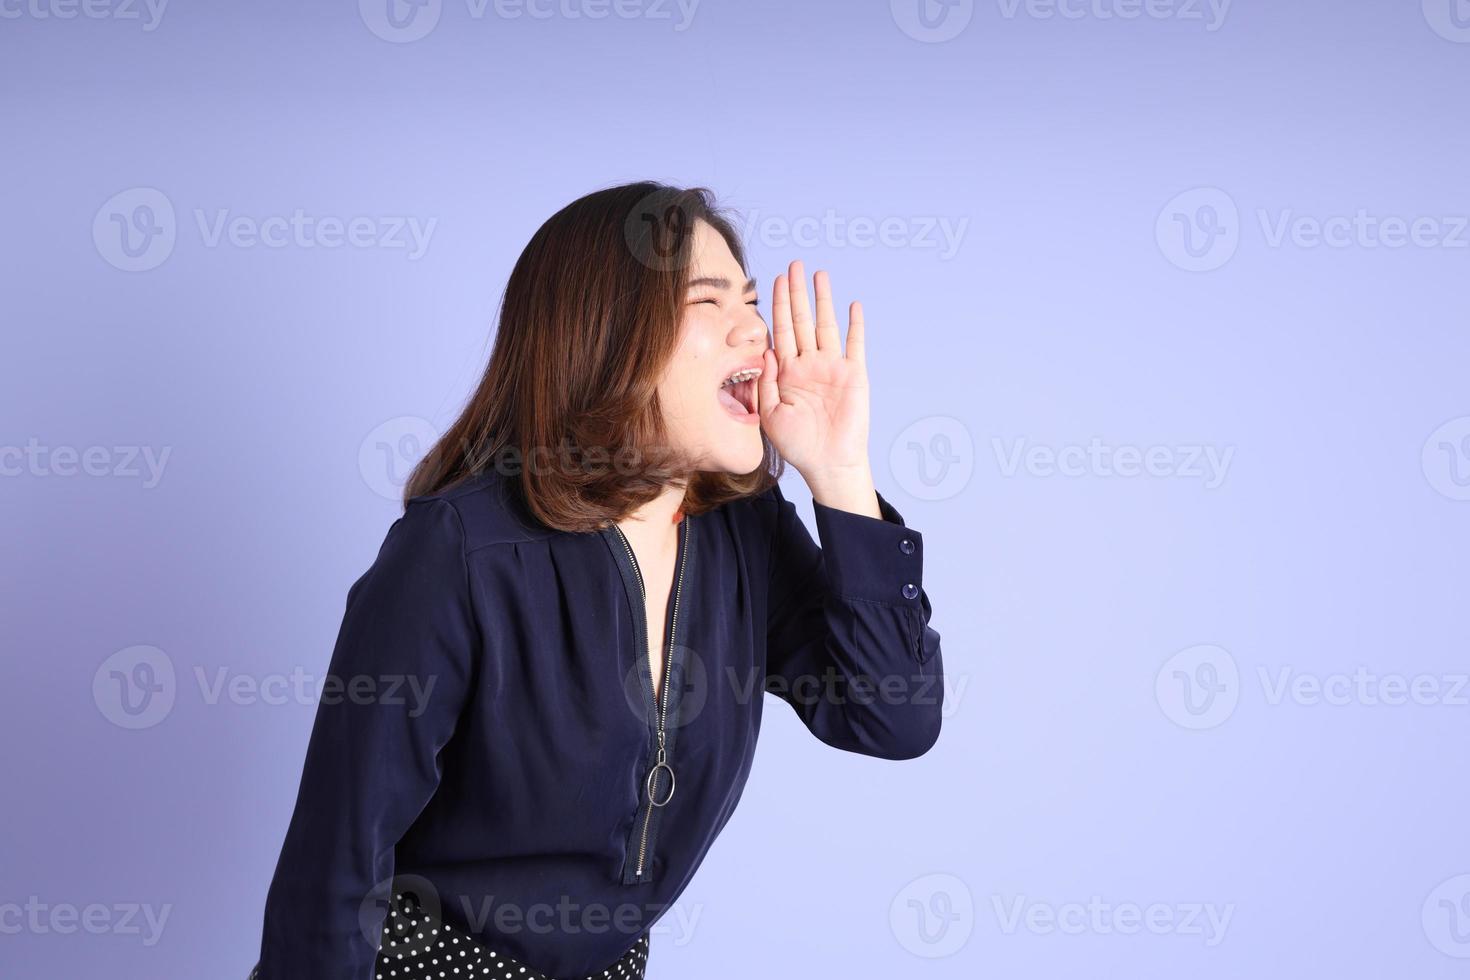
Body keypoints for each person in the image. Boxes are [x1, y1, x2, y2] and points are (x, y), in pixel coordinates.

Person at [252, 181, 944, 980]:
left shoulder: (742, 529)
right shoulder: (460, 552)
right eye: (711, 303)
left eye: (751, 303)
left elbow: (892, 718)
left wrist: (841, 474)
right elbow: (334, 866)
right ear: (610, 335)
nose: (757, 332)